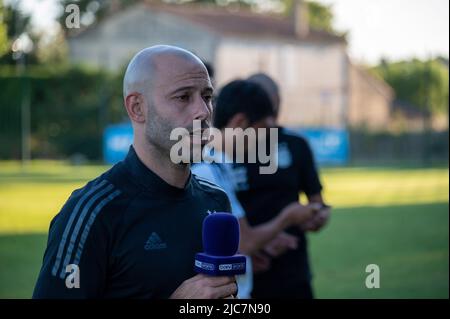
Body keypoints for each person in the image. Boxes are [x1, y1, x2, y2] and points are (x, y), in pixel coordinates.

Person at [32, 45, 237, 299]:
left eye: (207, 97)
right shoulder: (91, 212)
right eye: (183, 97)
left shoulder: (216, 201)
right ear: (137, 107)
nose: (203, 112)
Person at [192, 79, 318, 298]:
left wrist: (258, 248)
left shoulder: (219, 166)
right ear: (240, 122)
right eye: (265, 130)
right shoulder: (208, 170)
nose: (269, 139)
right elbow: (246, 242)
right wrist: (287, 217)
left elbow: (235, 247)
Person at [230, 73, 331, 299]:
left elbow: (318, 202)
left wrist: (317, 216)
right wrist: (253, 243)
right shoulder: (226, 151)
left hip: (292, 271)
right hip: (243, 271)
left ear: (277, 100)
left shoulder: (296, 145)